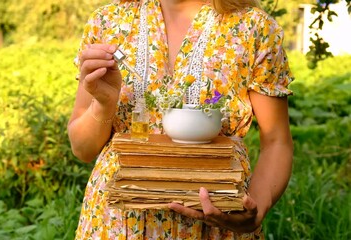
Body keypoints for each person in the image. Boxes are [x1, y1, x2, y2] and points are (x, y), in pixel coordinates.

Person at [68, 0, 294, 238]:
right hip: (116, 223)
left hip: (217, 222)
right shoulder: (107, 22)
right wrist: (104, 104)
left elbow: (277, 142)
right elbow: (83, 149)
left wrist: (254, 213)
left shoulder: (254, 27)